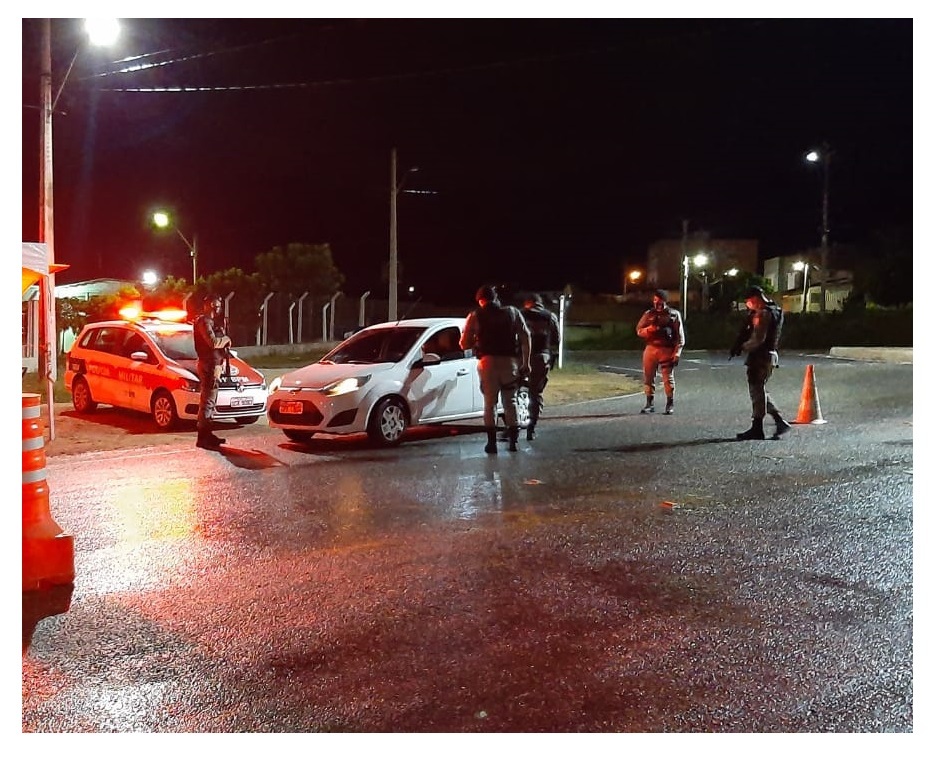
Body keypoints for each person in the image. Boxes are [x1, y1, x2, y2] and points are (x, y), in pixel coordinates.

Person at [460, 285, 531, 454]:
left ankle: (491, 444)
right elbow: (525, 336)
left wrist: (474, 339)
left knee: (490, 403)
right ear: (496, 298)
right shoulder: (512, 313)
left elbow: (464, 343)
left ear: (480, 300)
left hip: (488, 363)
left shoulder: (475, 316)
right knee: (510, 401)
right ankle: (513, 442)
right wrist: (526, 362)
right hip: (510, 363)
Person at [730, 285, 792, 441]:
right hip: (770, 355)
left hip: (761, 356)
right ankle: (779, 422)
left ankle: (757, 428)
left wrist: (741, 347)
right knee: (760, 390)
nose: (748, 305)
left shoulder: (763, 314)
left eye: (749, 301)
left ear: (755, 298)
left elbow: (758, 338)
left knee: (756, 391)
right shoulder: (776, 310)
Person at [635, 289, 684, 415]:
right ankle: (649, 403)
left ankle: (669, 403)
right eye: (655, 301)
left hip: (666, 349)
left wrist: (677, 353)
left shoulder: (673, 315)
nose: (658, 304)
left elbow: (680, 337)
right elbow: (639, 330)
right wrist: (650, 329)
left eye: (660, 302)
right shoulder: (649, 314)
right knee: (648, 377)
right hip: (651, 348)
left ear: (665, 302)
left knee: (668, 378)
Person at [193, 294, 232, 449]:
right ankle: (203, 437)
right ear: (207, 305)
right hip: (208, 365)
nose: (217, 309)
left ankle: (207, 434)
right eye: (214, 306)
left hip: (213, 364)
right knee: (208, 401)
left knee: (211, 401)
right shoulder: (204, 321)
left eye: (218, 306)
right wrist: (226, 339)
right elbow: (213, 342)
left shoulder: (210, 322)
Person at [521, 293, 560, 440]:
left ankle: (512, 426)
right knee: (535, 393)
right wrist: (552, 357)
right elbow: (557, 339)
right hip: (541, 357)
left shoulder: (521, 314)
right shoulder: (549, 316)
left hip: (520, 357)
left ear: (528, 302)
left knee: (513, 392)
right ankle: (532, 427)